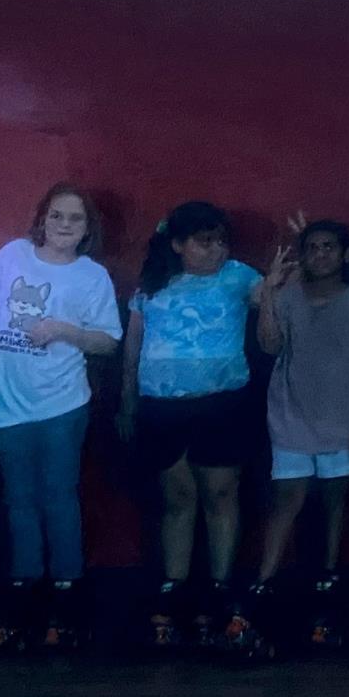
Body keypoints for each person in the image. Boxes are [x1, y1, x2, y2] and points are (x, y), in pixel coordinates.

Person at [0, 183, 122, 649]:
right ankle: (24, 587)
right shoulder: (12, 256)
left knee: (58, 497)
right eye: (57, 216)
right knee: (18, 500)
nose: (65, 225)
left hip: (62, 402)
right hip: (6, 401)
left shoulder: (91, 277)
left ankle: (67, 590)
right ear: (42, 219)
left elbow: (108, 340)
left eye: (75, 218)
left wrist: (64, 330)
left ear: (87, 228)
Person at [119, 201, 266, 651]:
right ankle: (174, 587)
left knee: (221, 494)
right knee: (177, 498)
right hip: (161, 406)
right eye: (205, 242)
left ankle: (221, 587)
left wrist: (281, 280)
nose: (216, 250)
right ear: (179, 244)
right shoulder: (152, 285)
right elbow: (134, 345)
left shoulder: (241, 277)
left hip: (222, 404)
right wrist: (127, 401)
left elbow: (275, 302)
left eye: (222, 241)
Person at [249, 219, 349, 650]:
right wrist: (269, 292)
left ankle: (328, 582)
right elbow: (270, 346)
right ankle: (263, 587)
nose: (320, 254)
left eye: (329, 247)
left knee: (335, 501)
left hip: (344, 420)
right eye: (312, 248)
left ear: (345, 255)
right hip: (291, 415)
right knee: (287, 499)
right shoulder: (287, 298)